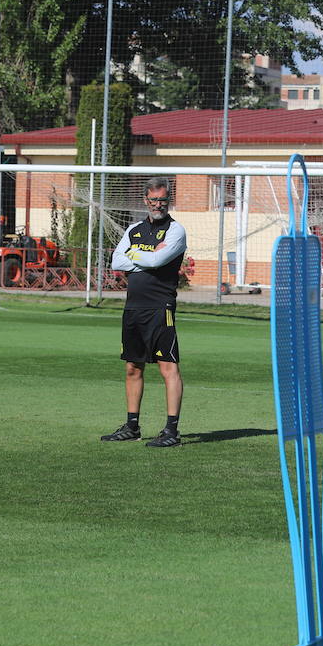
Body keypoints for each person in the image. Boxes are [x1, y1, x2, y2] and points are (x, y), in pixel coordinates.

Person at [100, 177, 189, 447]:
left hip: (160, 307)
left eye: (163, 200)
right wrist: (144, 255)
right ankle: (131, 426)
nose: (158, 205)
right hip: (133, 308)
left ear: (168, 200)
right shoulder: (134, 229)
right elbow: (116, 260)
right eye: (154, 200)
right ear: (145, 201)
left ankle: (171, 431)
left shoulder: (175, 231)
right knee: (132, 367)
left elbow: (158, 260)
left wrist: (136, 255)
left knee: (168, 367)